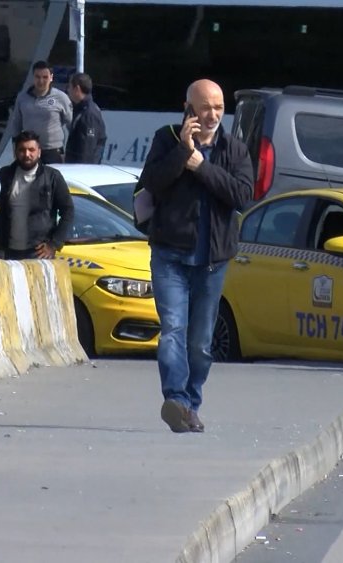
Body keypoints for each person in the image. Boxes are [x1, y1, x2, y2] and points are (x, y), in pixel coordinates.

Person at [138, 79, 253, 434]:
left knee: (200, 343)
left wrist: (201, 166)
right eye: (205, 107)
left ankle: (191, 404)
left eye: (219, 107)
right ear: (188, 108)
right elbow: (151, 182)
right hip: (170, 255)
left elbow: (242, 195)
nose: (212, 114)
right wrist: (182, 152)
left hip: (212, 261)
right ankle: (175, 400)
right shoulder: (166, 139)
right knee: (173, 329)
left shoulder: (234, 149)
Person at [0, 130, 74, 260]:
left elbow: (68, 211)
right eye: (22, 150)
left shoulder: (52, 177)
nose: (27, 154)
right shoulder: (4, 175)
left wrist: (54, 244)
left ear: (39, 152)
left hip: (39, 253)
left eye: (31, 150)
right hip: (7, 252)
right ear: (15, 152)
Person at [8, 61, 73, 165]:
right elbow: (16, 125)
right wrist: (15, 148)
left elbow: (71, 124)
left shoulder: (61, 97)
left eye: (45, 77)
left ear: (51, 77)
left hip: (52, 151)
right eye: (37, 77)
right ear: (33, 77)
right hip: (29, 150)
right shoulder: (22, 97)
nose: (41, 81)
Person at [64, 73, 107, 164]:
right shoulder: (81, 109)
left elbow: (87, 148)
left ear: (77, 89)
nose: (68, 90)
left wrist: (82, 169)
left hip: (82, 168)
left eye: (69, 87)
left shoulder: (89, 114)